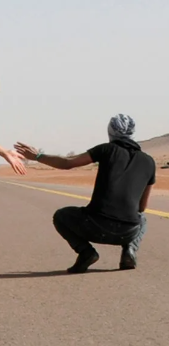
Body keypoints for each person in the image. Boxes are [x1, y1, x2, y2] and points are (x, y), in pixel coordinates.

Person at [15, 114, 155, 273]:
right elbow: (142, 207)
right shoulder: (149, 162)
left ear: (110, 132)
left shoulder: (106, 149)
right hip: (127, 233)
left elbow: (68, 163)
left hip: (96, 227)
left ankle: (86, 252)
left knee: (61, 216)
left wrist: (37, 156)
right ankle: (129, 251)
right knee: (142, 218)